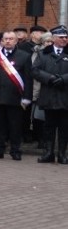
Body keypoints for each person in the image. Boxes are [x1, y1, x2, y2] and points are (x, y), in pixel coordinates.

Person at [0, 30, 33, 160]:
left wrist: (27, 97)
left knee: (15, 126)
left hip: (16, 98)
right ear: (1, 41)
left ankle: (15, 150)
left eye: (11, 39)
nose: (7, 41)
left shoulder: (24, 56)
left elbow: (28, 78)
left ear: (16, 41)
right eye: (5, 39)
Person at [32, 25, 68, 164]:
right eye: (61, 37)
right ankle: (48, 153)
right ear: (53, 39)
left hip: (65, 96)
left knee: (65, 128)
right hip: (49, 96)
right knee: (49, 127)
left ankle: (63, 154)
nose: (64, 39)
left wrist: (63, 79)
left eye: (66, 37)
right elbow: (35, 70)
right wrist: (50, 78)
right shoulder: (43, 53)